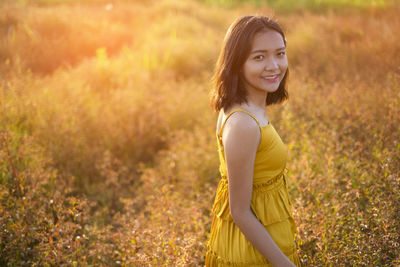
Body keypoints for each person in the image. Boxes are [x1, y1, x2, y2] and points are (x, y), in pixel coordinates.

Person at [205, 15, 301, 266]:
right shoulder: (243, 124)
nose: (274, 65)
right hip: (252, 252)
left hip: (264, 237)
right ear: (237, 63)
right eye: (259, 57)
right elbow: (240, 211)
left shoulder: (248, 107)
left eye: (279, 53)